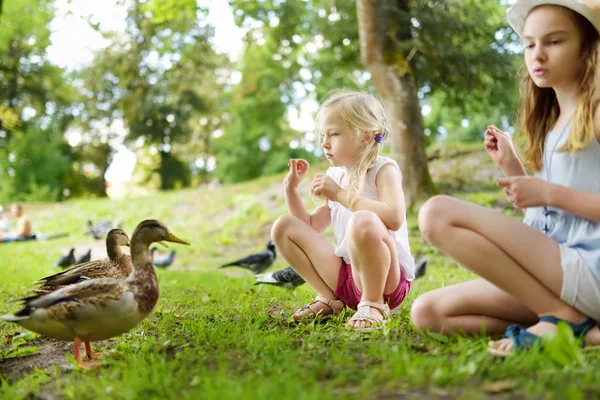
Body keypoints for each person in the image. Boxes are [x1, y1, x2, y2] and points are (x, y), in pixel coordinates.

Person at [411, 0, 600, 355]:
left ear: (588, 48)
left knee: (436, 213)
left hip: (590, 270)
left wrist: (548, 192)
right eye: (530, 44)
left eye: (554, 42)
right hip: (559, 272)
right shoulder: (553, 121)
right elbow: (551, 221)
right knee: (428, 312)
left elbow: (556, 200)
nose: (538, 54)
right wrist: (513, 171)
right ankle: (580, 330)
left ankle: (562, 317)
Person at [271, 89, 414, 331]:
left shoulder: (382, 170)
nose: (325, 143)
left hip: (386, 280)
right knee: (284, 227)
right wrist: (291, 190)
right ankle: (329, 299)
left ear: (366, 137)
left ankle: (373, 304)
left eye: (334, 134)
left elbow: (395, 217)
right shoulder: (335, 175)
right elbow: (311, 227)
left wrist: (338, 194)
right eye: (323, 135)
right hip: (347, 276)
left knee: (364, 220)